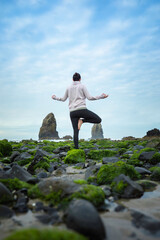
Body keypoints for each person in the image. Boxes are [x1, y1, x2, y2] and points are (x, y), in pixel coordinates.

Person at [52, 72, 109, 149]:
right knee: (98, 120)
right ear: (80, 79)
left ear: (72, 79)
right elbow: (90, 98)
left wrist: (55, 97)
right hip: (82, 109)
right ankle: (82, 121)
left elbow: (63, 99)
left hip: (72, 112)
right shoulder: (82, 86)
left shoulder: (68, 88)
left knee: (75, 131)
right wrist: (101, 96)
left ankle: (76, 149)